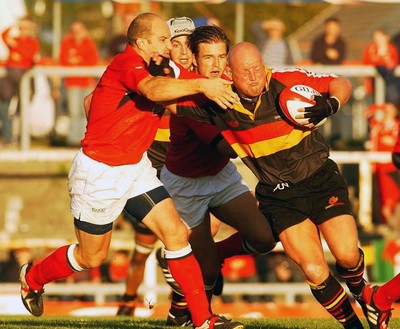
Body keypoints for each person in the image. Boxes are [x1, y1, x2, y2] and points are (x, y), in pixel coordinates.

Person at [18, 12, 243, 329]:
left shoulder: (162, 66)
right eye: (164, 39)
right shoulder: (127, 64)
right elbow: (151, 90)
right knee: (92, 257)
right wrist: (205, 87)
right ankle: (33, 277)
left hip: (135, 167)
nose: (170, 46)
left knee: (176, 234)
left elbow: (94, 100)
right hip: (99, 173)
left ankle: (203, 320)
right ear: (142, 42)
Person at [175, 41, 369, 329]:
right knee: (315, 270)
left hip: (320, 180)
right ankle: (353, 326)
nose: (254, 77)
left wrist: (331, 104)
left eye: (257, 69)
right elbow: (168, 97)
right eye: (245, 72)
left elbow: (341, 82)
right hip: (279, 195)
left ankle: (367, 297)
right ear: (230, 72)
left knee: (347, 255)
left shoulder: (285, 80)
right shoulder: (219, 99)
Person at [157, 25, 276, 326]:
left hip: (220, 177)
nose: (217, 65)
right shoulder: (188, 93)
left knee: (264, 239)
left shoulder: (229, 79)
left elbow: (270, 82)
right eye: (208, 57)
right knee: (206, 270)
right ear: (193, 60)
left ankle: (212, 260)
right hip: (186, 187)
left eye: (222, 57)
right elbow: (227, 147)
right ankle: (200, 319)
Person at [115, 16, 197, 317]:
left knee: (189, 240)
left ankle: (184, 305)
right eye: (174, 44)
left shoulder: (201, 75)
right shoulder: (147, 75)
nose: (183, 51)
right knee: (143, 247)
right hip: (154, 160)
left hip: (185, 162)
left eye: (189, 44)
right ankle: (126, 302)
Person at [0, 16, 40, 146]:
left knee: (22, 108)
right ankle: (7, 136)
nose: (24, 30)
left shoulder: (32, 42)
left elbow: (29, 56)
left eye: (26, 28)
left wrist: (17, 50)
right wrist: (15, 24)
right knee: (3, 105)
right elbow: (4, 34)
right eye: (22, 28)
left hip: (23, 77)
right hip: (10, 76)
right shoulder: (15, 40)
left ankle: (20, 138)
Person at [59, 21, 100, 147]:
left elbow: (92, 61)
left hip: (87, 82)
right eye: (74, 31)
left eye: (79, 31)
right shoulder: (66, 43)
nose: (76, 34)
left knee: (85, 112)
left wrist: (76, 60)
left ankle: (84, 139)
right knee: (73, 111)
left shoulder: (90, 44)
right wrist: (79, 60)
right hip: (72, 82)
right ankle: (72, 140)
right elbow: (63, 61)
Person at [365, 102, 400, 225]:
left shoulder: (397, 126)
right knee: (378, 196)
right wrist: (380, 106)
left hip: (391, 166)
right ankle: (383, 222)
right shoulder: (378, 125)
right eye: (386, 110)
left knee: (391, 196)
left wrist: (391, 142)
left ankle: (391, 224)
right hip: (377, 165)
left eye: (390, 110)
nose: (387, 112)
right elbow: (367, 113)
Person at [362, 28, 399, 105]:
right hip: (372, 84)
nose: (377, 40)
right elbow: (367, 62)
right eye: (375, 37)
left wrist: (382, 56)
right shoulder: (370, 48)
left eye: (380, 37)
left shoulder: (391, 48)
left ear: (386, 37)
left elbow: (392, 64)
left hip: (389, 85)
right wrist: (381, 57)